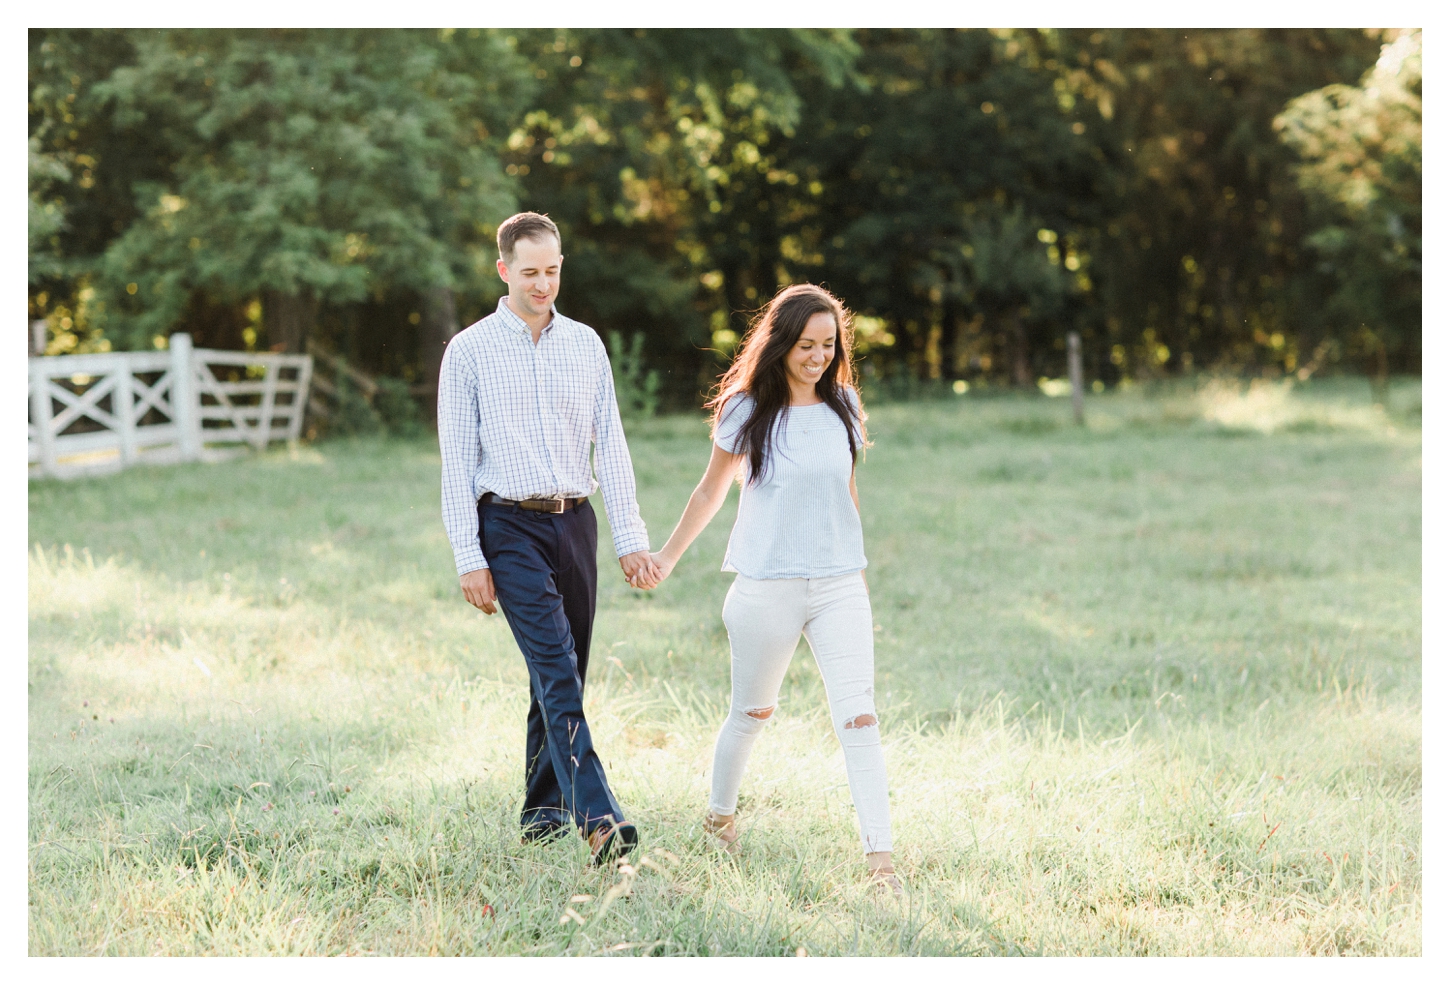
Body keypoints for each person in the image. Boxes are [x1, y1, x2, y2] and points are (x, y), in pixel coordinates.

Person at [647, 283, 900, 894]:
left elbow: (846, 494)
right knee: (752, 713)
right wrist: (665, 558)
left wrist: (858, 577)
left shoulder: (844, 404)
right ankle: (719, 817)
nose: (818, 356)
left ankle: (882, 865)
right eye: (806, 345)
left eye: (829, 344)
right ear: (782, 342)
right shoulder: (745, 409)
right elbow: (710, 492)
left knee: (859, 719)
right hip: (767, 584)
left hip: (840, 584)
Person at [437, 211, 661, 864]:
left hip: (575, 522)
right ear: (503, 269)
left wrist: (631, 537)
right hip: (506, 523)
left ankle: (540, 812)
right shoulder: (470, 351)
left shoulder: (586, 345)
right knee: (557, 666)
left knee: (562, 670)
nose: (543, 284)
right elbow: (456, 458)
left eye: (553, 271)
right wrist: (467, 554)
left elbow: (611, 445)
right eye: (530, 272)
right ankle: (598, 815)